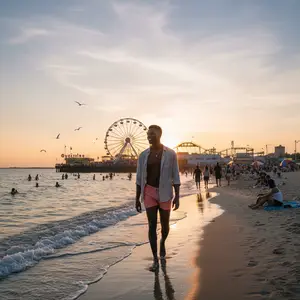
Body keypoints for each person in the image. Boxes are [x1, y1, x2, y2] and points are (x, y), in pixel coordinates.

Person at [135, 125, 180, 271]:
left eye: (152, 134)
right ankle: (155, 259)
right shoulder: (142, 155)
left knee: (165, 226)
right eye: (148, 134)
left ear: (160, 135)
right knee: (152, 225)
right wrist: (137, 198)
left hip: (166, 192)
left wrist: (177, 196)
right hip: (149, 192)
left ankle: (162, 243)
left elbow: (176, 175)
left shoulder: (171, 154)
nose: (149, 136)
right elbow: (139, 177)